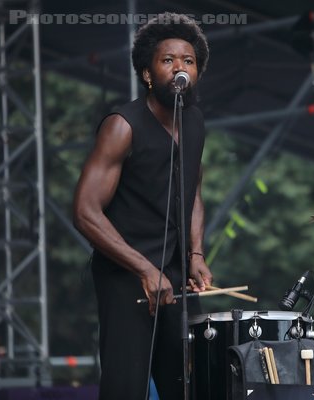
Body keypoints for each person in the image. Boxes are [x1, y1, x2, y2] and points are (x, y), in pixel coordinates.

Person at [73, 12, 212, 400]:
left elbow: (193, 190)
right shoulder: (123, 125)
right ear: (148, 73)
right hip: (126, 275)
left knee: (189, 383)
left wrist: (196, 251)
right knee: (126, 388)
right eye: (168, 61)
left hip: (174, 274)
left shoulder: (195, 121)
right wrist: (144, 268)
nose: (179, 68)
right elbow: (85, 211)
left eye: (188, 61)